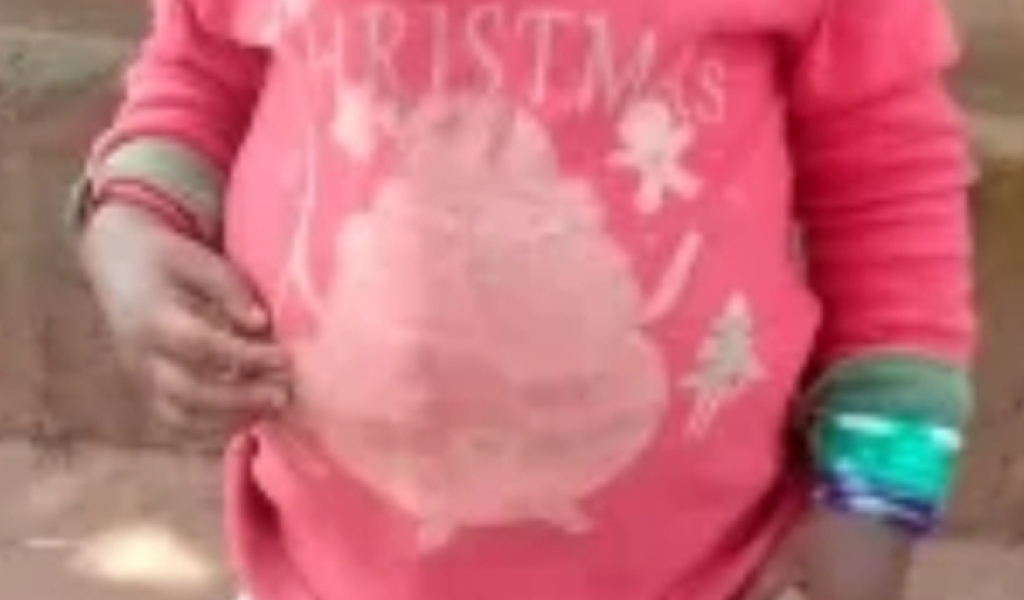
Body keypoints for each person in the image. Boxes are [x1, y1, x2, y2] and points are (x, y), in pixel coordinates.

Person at [73, 0, 976, 599]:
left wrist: (880, 491)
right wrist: (130, 227)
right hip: (320, 572)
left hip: (707, 574)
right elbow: (201, 72)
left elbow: (889, 184)